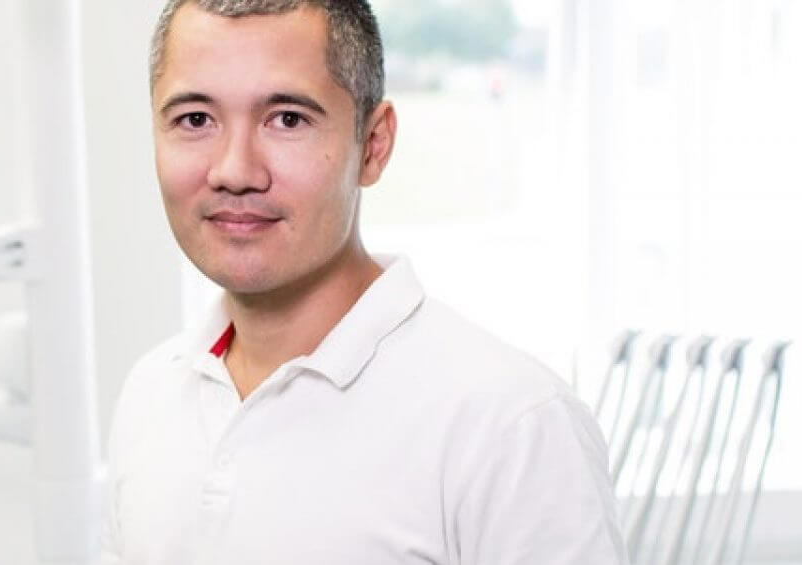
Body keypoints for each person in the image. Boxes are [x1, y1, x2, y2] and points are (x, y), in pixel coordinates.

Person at [103, 1, 627, 563]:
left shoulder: (511, 426)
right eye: (195, 120)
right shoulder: (150, 393)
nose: (234, 171)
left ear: (374, 145)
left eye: (287, 119)